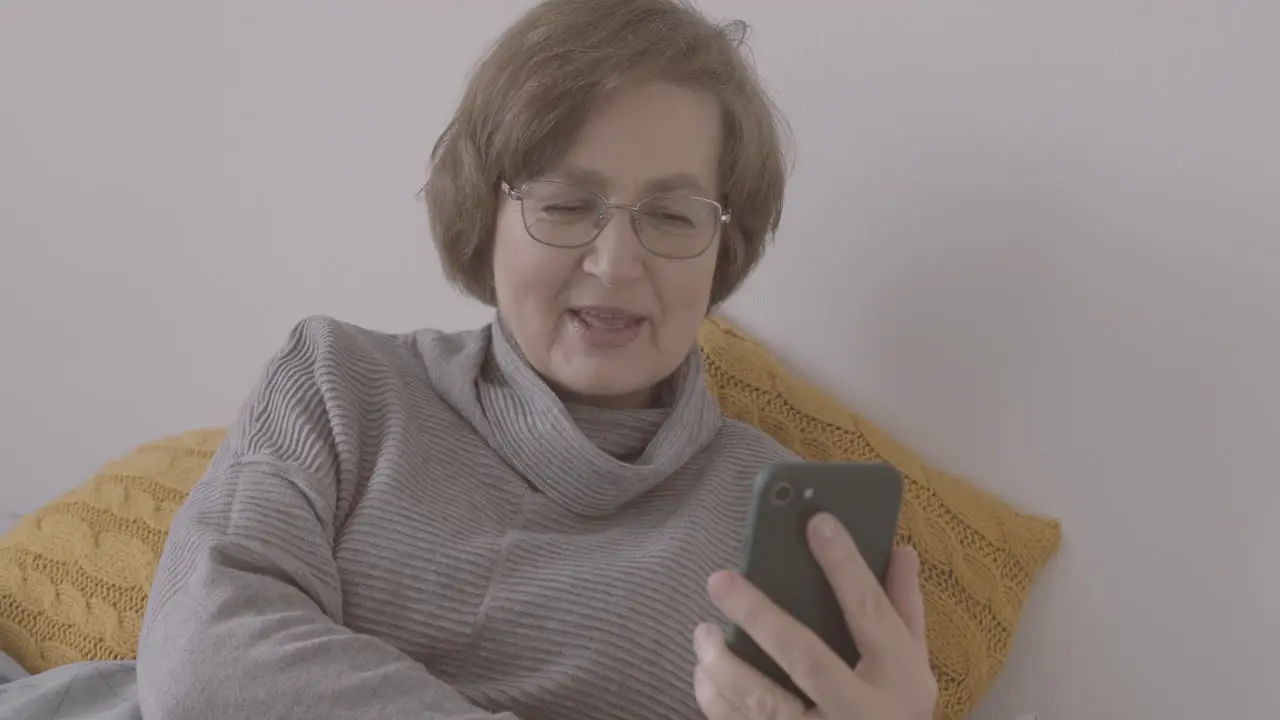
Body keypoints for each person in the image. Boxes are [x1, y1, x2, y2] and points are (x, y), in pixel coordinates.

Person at [0, 1, 937, 718]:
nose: (616, 265)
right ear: (481, 219)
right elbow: (205, 663)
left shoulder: (777, 523)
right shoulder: (337, 384)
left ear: (721, 243)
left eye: (672, 213)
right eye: (566, 205)